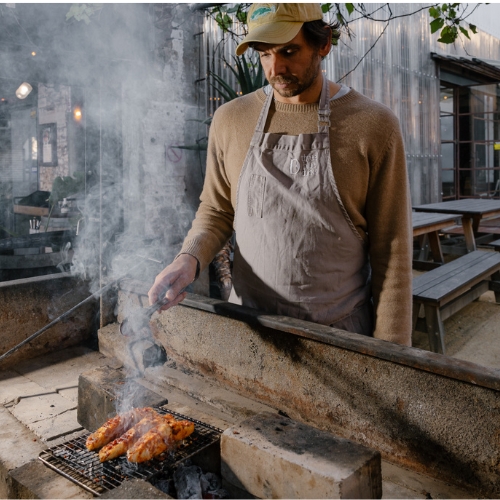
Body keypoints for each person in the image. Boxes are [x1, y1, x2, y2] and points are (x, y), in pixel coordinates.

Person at [148, 3, 413, 346]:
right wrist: (188, 260)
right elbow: (217, 210)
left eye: (289, 51)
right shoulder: (231, 120)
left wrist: (392, 353)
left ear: (323, 43)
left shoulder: (374, 125)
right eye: (264, 54)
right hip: (250, 331)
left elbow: (392, 248)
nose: (276, 68)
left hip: (339, 337)